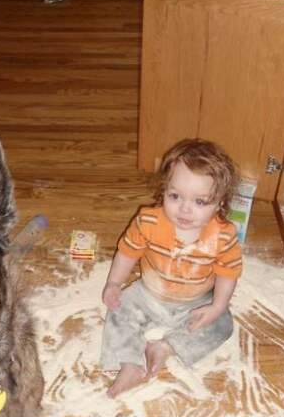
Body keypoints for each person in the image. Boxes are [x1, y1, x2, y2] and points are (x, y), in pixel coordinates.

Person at [101, 138, 242, 398]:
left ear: (220, 202)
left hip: (195, 301)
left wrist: (217, 306)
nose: (185, 209)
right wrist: (114, 284)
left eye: (200, 202)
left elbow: (228, 272)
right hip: (148, 294)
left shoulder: (223, 235)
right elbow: (127, 252)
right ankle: (130, 365)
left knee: (223, 324)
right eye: (175, 196)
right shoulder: (148, 221)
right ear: (164, 189)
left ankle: (165, 347)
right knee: (118, 312)